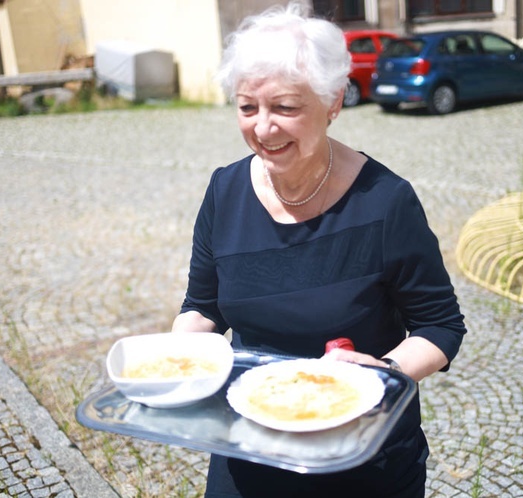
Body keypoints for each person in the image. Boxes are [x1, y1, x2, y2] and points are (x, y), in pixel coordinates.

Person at [172, 3, 466, 497]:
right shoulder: (224, 192)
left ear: (333, 102)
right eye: (247, 107)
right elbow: (202, 308)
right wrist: (175, 357)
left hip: (362, 454)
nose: (263, 129)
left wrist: (387, 372)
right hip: (250, 448)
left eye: (285, 108)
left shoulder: (386, 202)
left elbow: (440, 327)